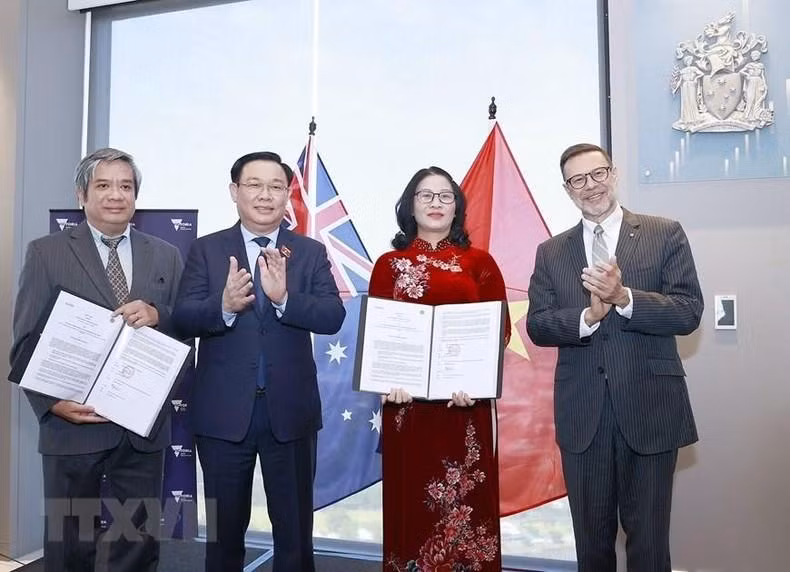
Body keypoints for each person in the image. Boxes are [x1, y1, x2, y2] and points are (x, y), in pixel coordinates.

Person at [526, 143, 703, 571]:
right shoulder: (551, 251)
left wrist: (624, 298)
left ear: (614, 173)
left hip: (650, 410)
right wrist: (588, 316)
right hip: (583, 416)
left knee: (649, 546)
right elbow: (537, 324)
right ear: (567, 190)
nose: (591, 186)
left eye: (598, 173)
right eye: (578, 180)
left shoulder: (665, 233)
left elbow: (688, 311)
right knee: (592, 547)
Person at [10, 147, 184, 571]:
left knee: (137, 544)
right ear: (82, 194)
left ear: (136, 196)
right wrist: (51, 405)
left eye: (125, 186)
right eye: (103, 185)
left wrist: (160, 315)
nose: (115, 195)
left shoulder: (166, 255)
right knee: (70, 544)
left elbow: (182, 332)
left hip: (141, 428)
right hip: (72, 425)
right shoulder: (46, 252)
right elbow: (26, 340)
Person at [171, 151, 345, 572]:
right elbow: (182, 318)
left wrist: (285, 299)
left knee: (294, 537)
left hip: (290, 414)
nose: (265, 195)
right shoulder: (206, 250)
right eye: (254, 185)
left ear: (287, 195)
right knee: (224, 539)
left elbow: (332, 316)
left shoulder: (308, 252)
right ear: (234, 191)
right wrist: (224, 306)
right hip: (223, 416)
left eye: (276, 187)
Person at [369, 166, 510, 572]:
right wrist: (385, 380)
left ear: (457, 207)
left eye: (445, 196)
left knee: (468, 508)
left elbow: (498, 331)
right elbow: (382, 334)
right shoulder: (389, 264)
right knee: (409, 506)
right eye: (425, 195)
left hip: (464, 408)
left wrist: (474, 380)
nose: (435, 203)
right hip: (407, 409)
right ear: (410, 205)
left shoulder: (479, 263)